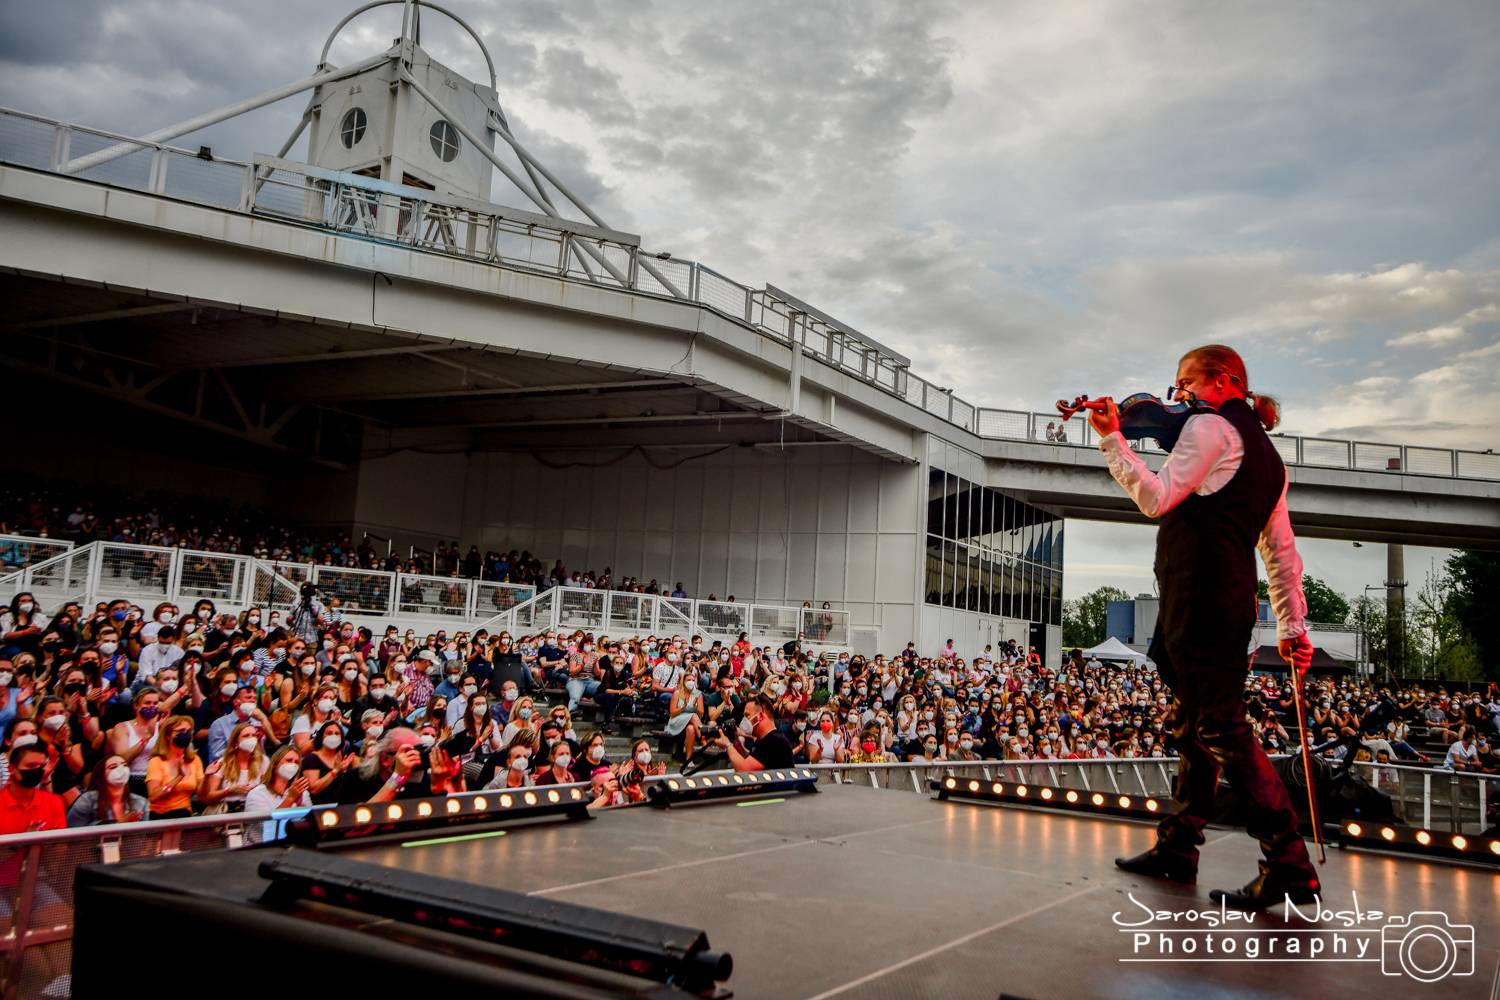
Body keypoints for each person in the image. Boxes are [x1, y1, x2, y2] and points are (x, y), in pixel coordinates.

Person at [1097, 344, 1319, 910]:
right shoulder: (1269, 458)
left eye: (1184, 384)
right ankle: (1178, 844)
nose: (1177, 398)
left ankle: (1289, 862)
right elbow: (1281, 551)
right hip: (1226, 601)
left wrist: (1112, 439)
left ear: (1222, 382)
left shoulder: (1211, 430)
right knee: (1193, 722)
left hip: (1199, 599)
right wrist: (1293, 625)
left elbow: (1156, 497)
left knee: (1220, 726)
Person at [714, 693, 794, 771]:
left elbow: (744, 769)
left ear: (761, 716)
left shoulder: (775, 741)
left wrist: (727, 745)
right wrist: (737, 743)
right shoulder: (763, 740)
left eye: (747, 715)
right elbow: (752, 759)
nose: (744, 720)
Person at [145, 715, 204, 819]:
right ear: (168, 736)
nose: (185, 734)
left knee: (182, 814)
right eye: (181, 731)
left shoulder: (194, 760)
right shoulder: (156, 761)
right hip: (161, 814)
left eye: (188, 731)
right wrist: (178, 777)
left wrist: (209, 776)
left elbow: (202, 794)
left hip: (184, 813)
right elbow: (153, 796)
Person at [0, 743, 67, 834]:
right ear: (12, 769)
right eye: (31, 766)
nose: (36, 770)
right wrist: (27, 840)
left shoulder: (54, 802)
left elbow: (61, 846)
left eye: (41, 766)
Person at [66, 755, 148, 826]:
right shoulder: (87, 800)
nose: (121, 769)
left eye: (125, 765)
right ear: (101, 776)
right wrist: (118, 823)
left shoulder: (141, 802)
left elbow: (147, 837)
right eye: (113, 767)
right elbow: (74, 831)